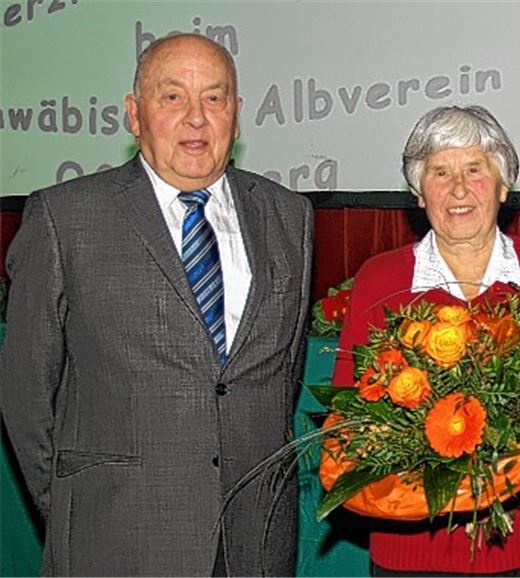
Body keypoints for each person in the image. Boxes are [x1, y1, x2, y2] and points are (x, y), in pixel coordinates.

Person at [0, 33, 312, 576]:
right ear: (134, 114)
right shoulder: (65, 218)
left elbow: (281, 379)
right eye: (172, 97)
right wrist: (76, 506)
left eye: (214, 98)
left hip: (252, 544)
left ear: (236, 117)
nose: (196, 118)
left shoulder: (289, 217)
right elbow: (26, 394)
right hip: (116, 536)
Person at [330, 105, 520, 577]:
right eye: (440, 172)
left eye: (475, 169)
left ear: (504, 184)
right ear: (418, 192)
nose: (458, 189)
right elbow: (350, 430)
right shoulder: (379, 281)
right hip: (420, 558)